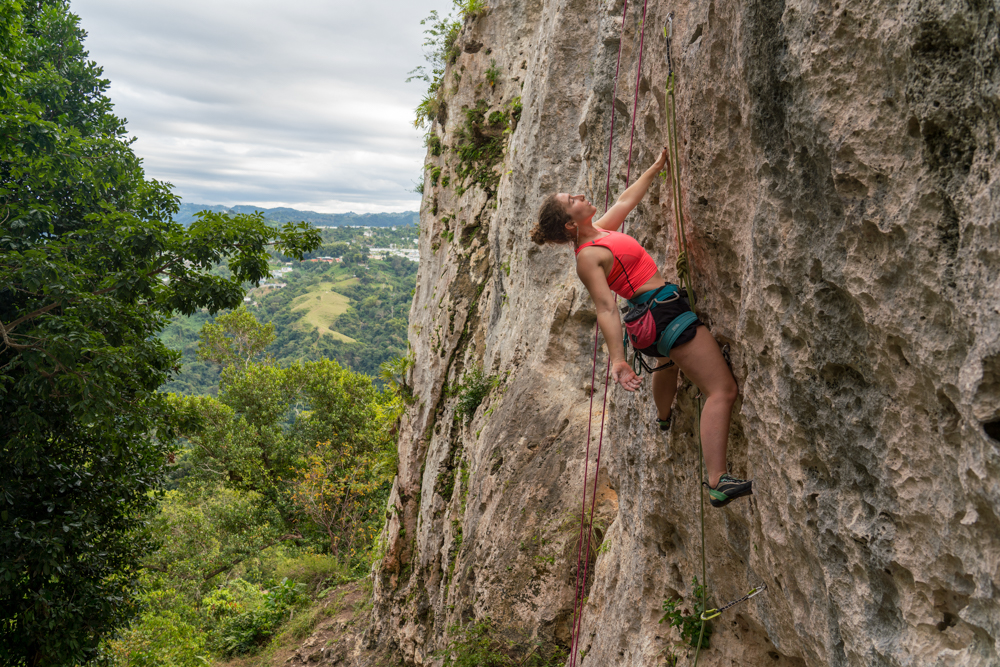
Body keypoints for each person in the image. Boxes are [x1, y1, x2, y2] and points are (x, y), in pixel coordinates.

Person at [530, 148, 752, 508]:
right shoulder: (588, 256)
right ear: (570, 223)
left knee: (670, 362)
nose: (581, 196)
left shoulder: (600, 231)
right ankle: (717, 480)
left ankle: (664, 417)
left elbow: (625, 199)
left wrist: (656, 167)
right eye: (572, 199)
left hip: (652, 319)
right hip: (663, 314)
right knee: (721, 390)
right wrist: (617, 360)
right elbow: (605, 308)